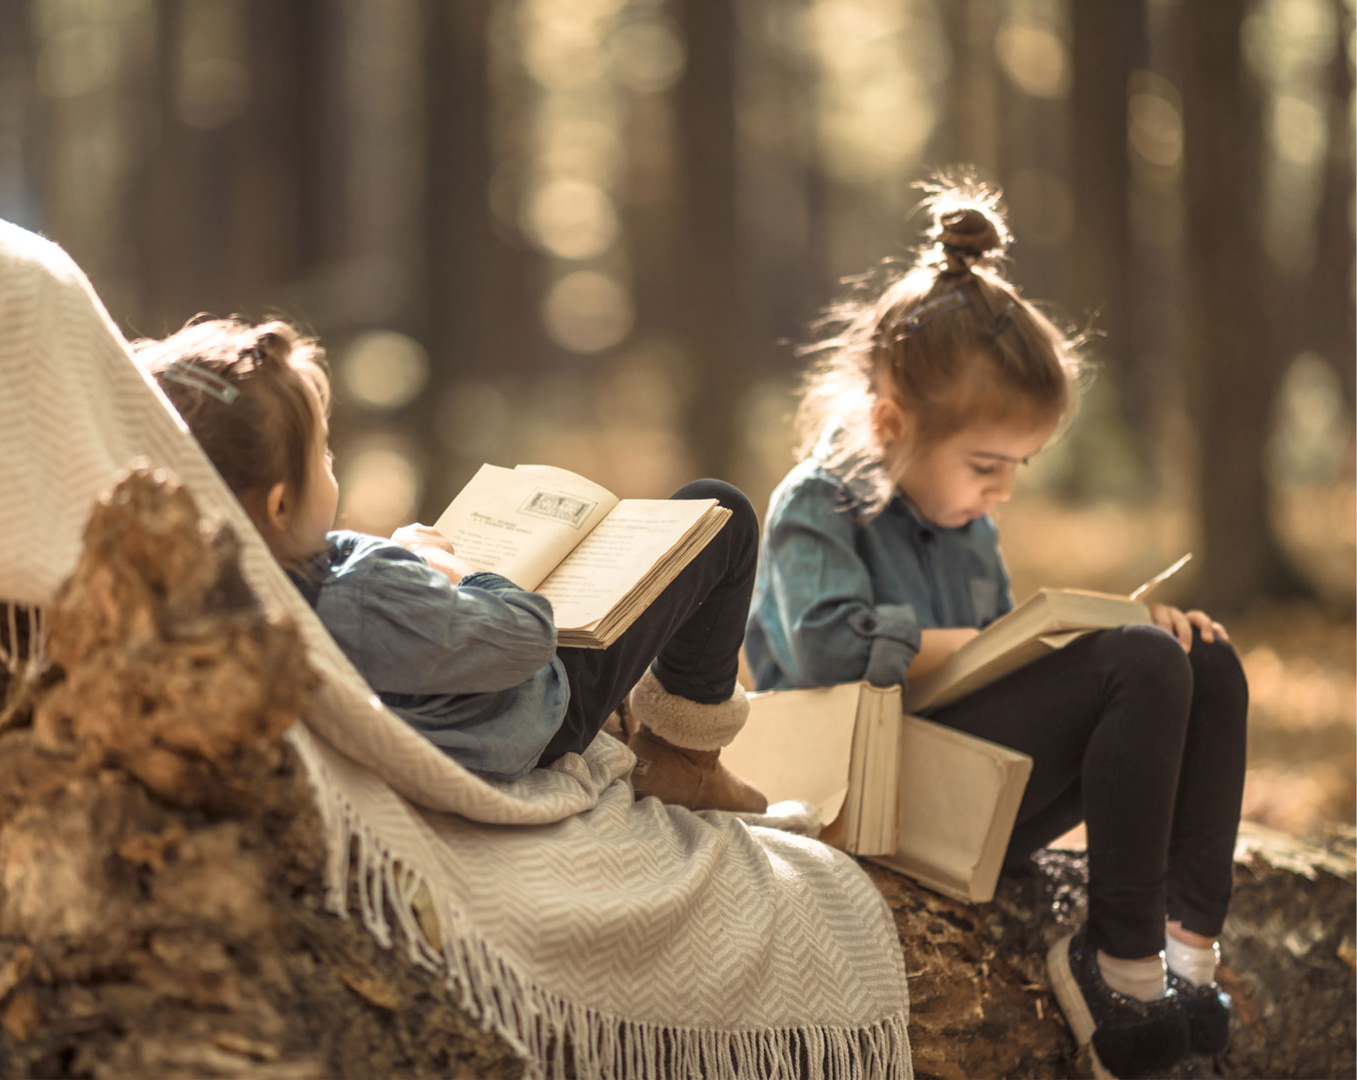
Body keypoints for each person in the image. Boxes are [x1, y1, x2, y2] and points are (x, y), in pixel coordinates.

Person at [744, 181, 1248, 1078]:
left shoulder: (968, 526)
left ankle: (1185, 946)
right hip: (871, 796)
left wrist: (1112, 636)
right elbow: (826, 649)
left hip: (966, 784)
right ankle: (1116, 962)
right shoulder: (816, 505)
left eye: (1018, 466)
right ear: (893, 425)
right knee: (1133, 659)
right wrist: (1080, 649)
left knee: (1195, 656)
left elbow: (1000, 670)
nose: (1002, 492)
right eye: (987, 465)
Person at [137, 316, 769, 813]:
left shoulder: (208, 606)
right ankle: (686, 759)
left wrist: (400, 553)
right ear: (279, 505)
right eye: (324, 454)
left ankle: (633, 719)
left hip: (457, 682)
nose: (334, 465)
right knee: (720, 514)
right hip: (542, 708)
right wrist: (466, 577)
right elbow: (526, 636)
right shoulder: (362, 598)